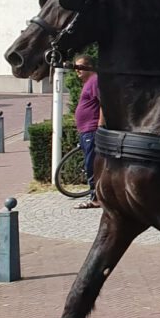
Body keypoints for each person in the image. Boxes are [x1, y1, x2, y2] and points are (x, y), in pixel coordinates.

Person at [73, 55, 103, 209]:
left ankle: (96, 198)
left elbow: (103, 102)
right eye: (76, 67)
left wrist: (100, 125)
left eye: (81, 66)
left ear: (90, 67)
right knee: (90, 163)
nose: (77, 70)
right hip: (86, 131)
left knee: (92, 165)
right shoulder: (88, 83)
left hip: (92, 130)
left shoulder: (94, 81)